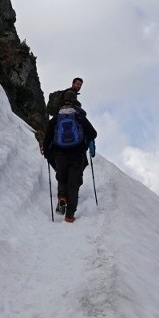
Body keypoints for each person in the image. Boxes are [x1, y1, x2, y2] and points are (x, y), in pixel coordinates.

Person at [42, 88, 97, 222]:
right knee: (74, 184)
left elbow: (47, 138)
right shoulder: (79, 116)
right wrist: (86, 143)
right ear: (75, 101)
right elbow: (93, 133)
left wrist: (48, 154)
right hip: (77, 155)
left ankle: (62, 197)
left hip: (60, 155)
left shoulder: (56, 117)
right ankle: (69, 215)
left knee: (62, 178)